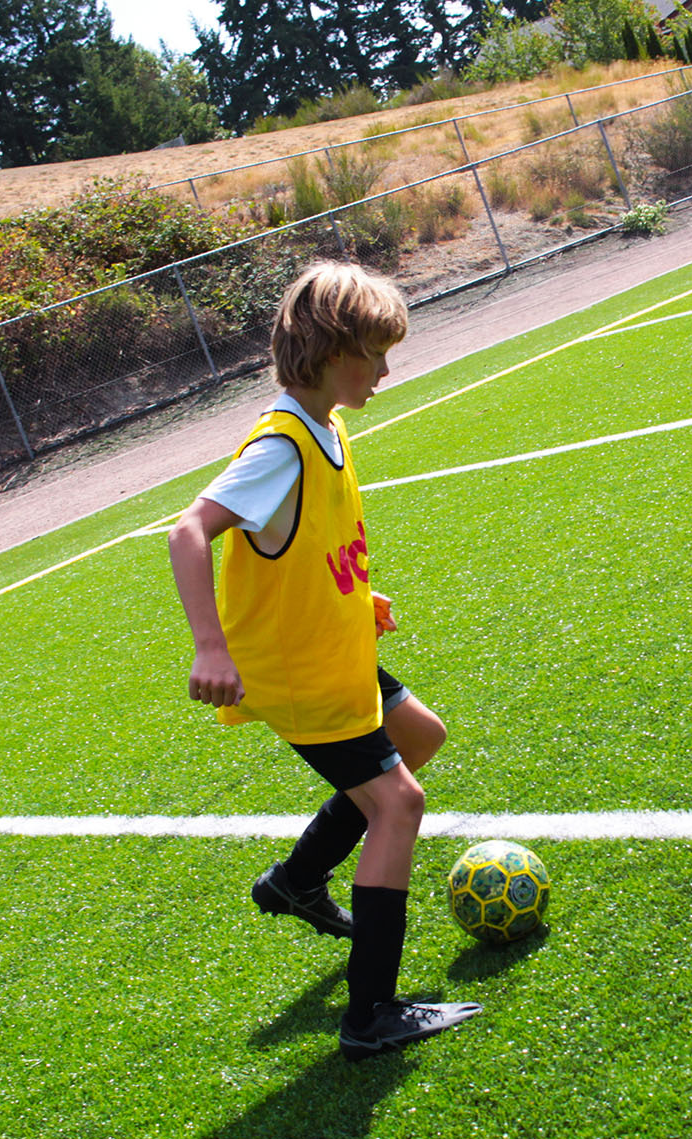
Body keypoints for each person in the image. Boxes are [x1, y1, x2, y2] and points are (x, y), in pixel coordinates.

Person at [168, 260, 483, 1060]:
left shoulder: (326, 426)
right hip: (296, 674)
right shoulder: (280, 447)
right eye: (373, 354)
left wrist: (355, 604)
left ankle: (296, 882)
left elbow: (303, 550)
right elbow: (188, 532)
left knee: (421, 736)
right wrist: (210, 647)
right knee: (398, 806)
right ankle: (371, 1012)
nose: (385, 371)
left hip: (330, 647)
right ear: (325, 349)